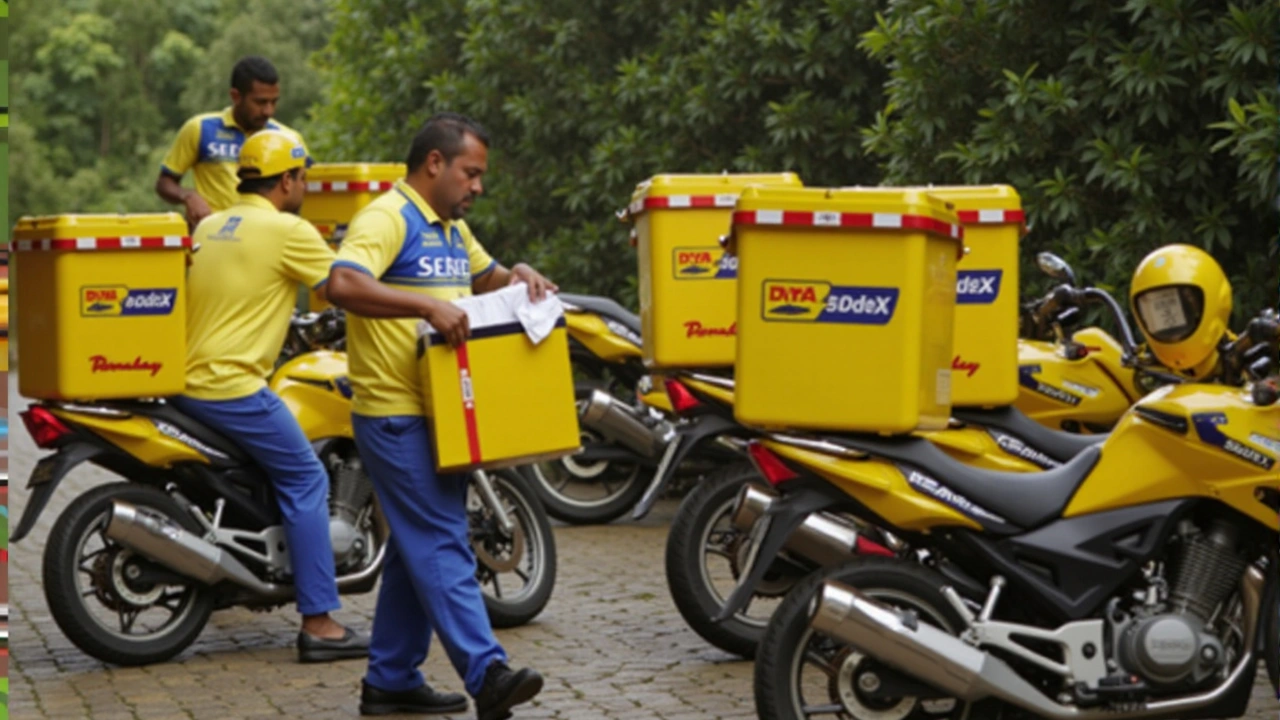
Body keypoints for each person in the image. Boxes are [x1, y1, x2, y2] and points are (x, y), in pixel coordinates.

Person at [326, 112, 553, 719]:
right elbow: (342, 285)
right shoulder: (388, 217)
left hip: (444, 411)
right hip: (395, 414)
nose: (478, 186)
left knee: (413, 548)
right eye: (470, 173)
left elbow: (487, 276)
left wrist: (520, 276)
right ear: (435, 164)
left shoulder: (452, 230)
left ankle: (391, 679)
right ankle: (488, 673)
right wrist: (425, 307)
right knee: (443, 541)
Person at [172, 129, 370, 663]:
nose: (304, 185)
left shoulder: (210, 224)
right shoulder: (289, 230)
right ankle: (320, 623)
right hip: (231, 387)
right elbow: (345, 287)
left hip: (184, 385)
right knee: (306, 476)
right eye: (302, 176)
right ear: (288, 180)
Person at [155, 55, 311, 230]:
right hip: (213, 238)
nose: (269, 111)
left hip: (266, 237)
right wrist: (188, 196)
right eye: (260, 102)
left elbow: (308, 189)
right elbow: (164, 182)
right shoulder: (200, 129)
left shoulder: (288, 138)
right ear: (236, 96)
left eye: (274, 102)